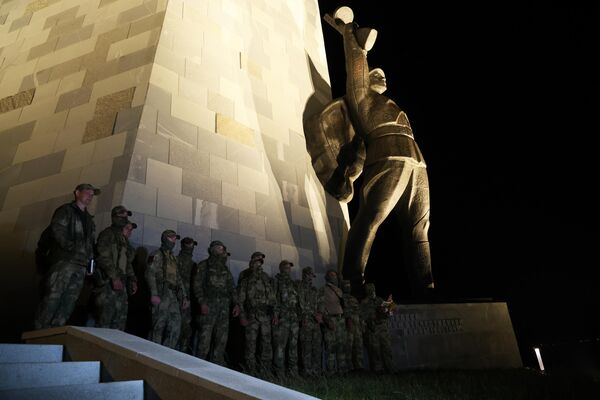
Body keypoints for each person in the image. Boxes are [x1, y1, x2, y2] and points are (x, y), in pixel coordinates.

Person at [323, 7, 434, 297]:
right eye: (376, 73)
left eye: (383, 74)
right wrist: (350, 34)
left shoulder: (391, 104)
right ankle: (353, 280)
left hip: (416, 163)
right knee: (372, 216)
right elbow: (355, 68)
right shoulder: (362, 98)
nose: (382, 76)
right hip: (387, 157)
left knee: (420, 228)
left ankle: (426, 289)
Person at [33, 183, 100, 329]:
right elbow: (58, 230)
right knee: (53, 298)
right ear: (77, 193)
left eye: (92, 194)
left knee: (69, 302)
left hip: (81, 266)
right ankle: (38, 333)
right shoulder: (66, 211)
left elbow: (90, 245)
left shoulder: (89, 220)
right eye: (87, 193)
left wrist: (90, 263)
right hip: (65, 262)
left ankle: (55, 332)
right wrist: (73, 248)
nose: (90, 196)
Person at [191, 240, 239, 365]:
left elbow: (231, 288)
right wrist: (202, 302)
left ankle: (216, 367)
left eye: (222, 248)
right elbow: (197, 285)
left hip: (223, 309)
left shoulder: (225, 269)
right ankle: (198, 366)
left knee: (221, 340)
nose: (221, 250)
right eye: (218, 247)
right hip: (209, 306)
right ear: (211, 249)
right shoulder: (204, 265)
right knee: (204, 339)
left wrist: (236, 304)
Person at [92, 205, 138, 330]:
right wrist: (114, 277)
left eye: (126, 216)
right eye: (121, 216)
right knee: (104, 321)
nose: (124, 218)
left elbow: (126, 262)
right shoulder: (107, 234)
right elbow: (103, 257)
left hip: (121, 284)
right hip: (108, 283)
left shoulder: (123, 240)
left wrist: (132, 279)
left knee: (119, 322)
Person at [145, 229, 189, 349]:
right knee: (158, 326)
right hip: (161, 292)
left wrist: (184, 296)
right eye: (171, 237)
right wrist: (154, 293)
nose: (174, 240)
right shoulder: (157, 254)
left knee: (176, 326)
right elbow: (150, 273)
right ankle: (153, 354)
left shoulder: (173, 258)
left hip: (172, 296)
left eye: (175, 238)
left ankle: (165, 354)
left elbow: (178, 279)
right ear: (165, 238)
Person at [237, 254, 276, 379]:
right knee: (250, 345)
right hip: (251, 316)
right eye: (256, 262)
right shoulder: (245, 279)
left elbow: (272, 298)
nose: (259, 264)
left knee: (266, 345)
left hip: (265, 317)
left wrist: (275, 314)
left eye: (261, 262)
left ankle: (265, 372)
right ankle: (250, 372)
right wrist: (242, 316)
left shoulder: (266, 279)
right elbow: (240, 300)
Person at [271, 260, 300, 381]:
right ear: (281, 268)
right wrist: (275, 315)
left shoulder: (293, 283)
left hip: (293, 317)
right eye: (286, 267)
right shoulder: (276, 281)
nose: (288, 269)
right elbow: (273, 299)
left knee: (293, 346)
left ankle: (293, 372)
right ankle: (279, 373)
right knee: (280, 346)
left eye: (289, 267)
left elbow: (297, 300)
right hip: (282, 318)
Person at [360, 283, 394, 374]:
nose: (371, 291)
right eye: (369, 289)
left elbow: (388, 313)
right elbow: (362, 317)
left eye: (372, 289)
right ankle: (378, 371)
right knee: (375, 351)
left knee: (387, 349)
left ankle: (390, 369)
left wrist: (389, 306)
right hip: (372, 329)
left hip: (382, 328)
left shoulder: (380, 300)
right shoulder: (364, 302)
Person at [297, 266, 324, 378]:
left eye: (312, 276)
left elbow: (320, 303)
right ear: (304, 275)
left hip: (315, 322)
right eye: (309, 275)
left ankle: (316, 371)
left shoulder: (314, 290)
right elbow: (301, 305)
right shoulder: (299, 288)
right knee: (306, 347)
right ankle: (307, 372)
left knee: (317, 347)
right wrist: (314, 314)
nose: (311, 278)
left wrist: (320, 314)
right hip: (306, 321)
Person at [320, 269, 347, 376]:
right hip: (331, 319)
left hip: (340, 319)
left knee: (341, 345)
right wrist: (327, 320)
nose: (334, 277)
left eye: (335, 275)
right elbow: (321, 306)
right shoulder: (323, 290)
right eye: (331, 275)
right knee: (330, 347)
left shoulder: (339, 290)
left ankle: (342, 370)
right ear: (327, 277)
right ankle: (330, 371)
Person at [177, 237, 197, 354]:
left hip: (188, 301)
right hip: (178, 299)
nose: (191, 247)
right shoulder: (176, 260)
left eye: (192, 245)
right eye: (188, 245)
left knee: (185, 330)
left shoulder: (193, 264)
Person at [341, 279, 364, 371]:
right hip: (348, 325)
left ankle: (359, 367)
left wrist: (362, 324)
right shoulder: (341, 298)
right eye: (346, 285)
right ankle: (349, 367)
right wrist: (347, 319)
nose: (348, 287)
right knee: (348, 346)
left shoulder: (353, 298)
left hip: (357, 325)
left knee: (358, 346)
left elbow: (358, 311)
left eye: (349, 285)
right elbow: (342, 310)